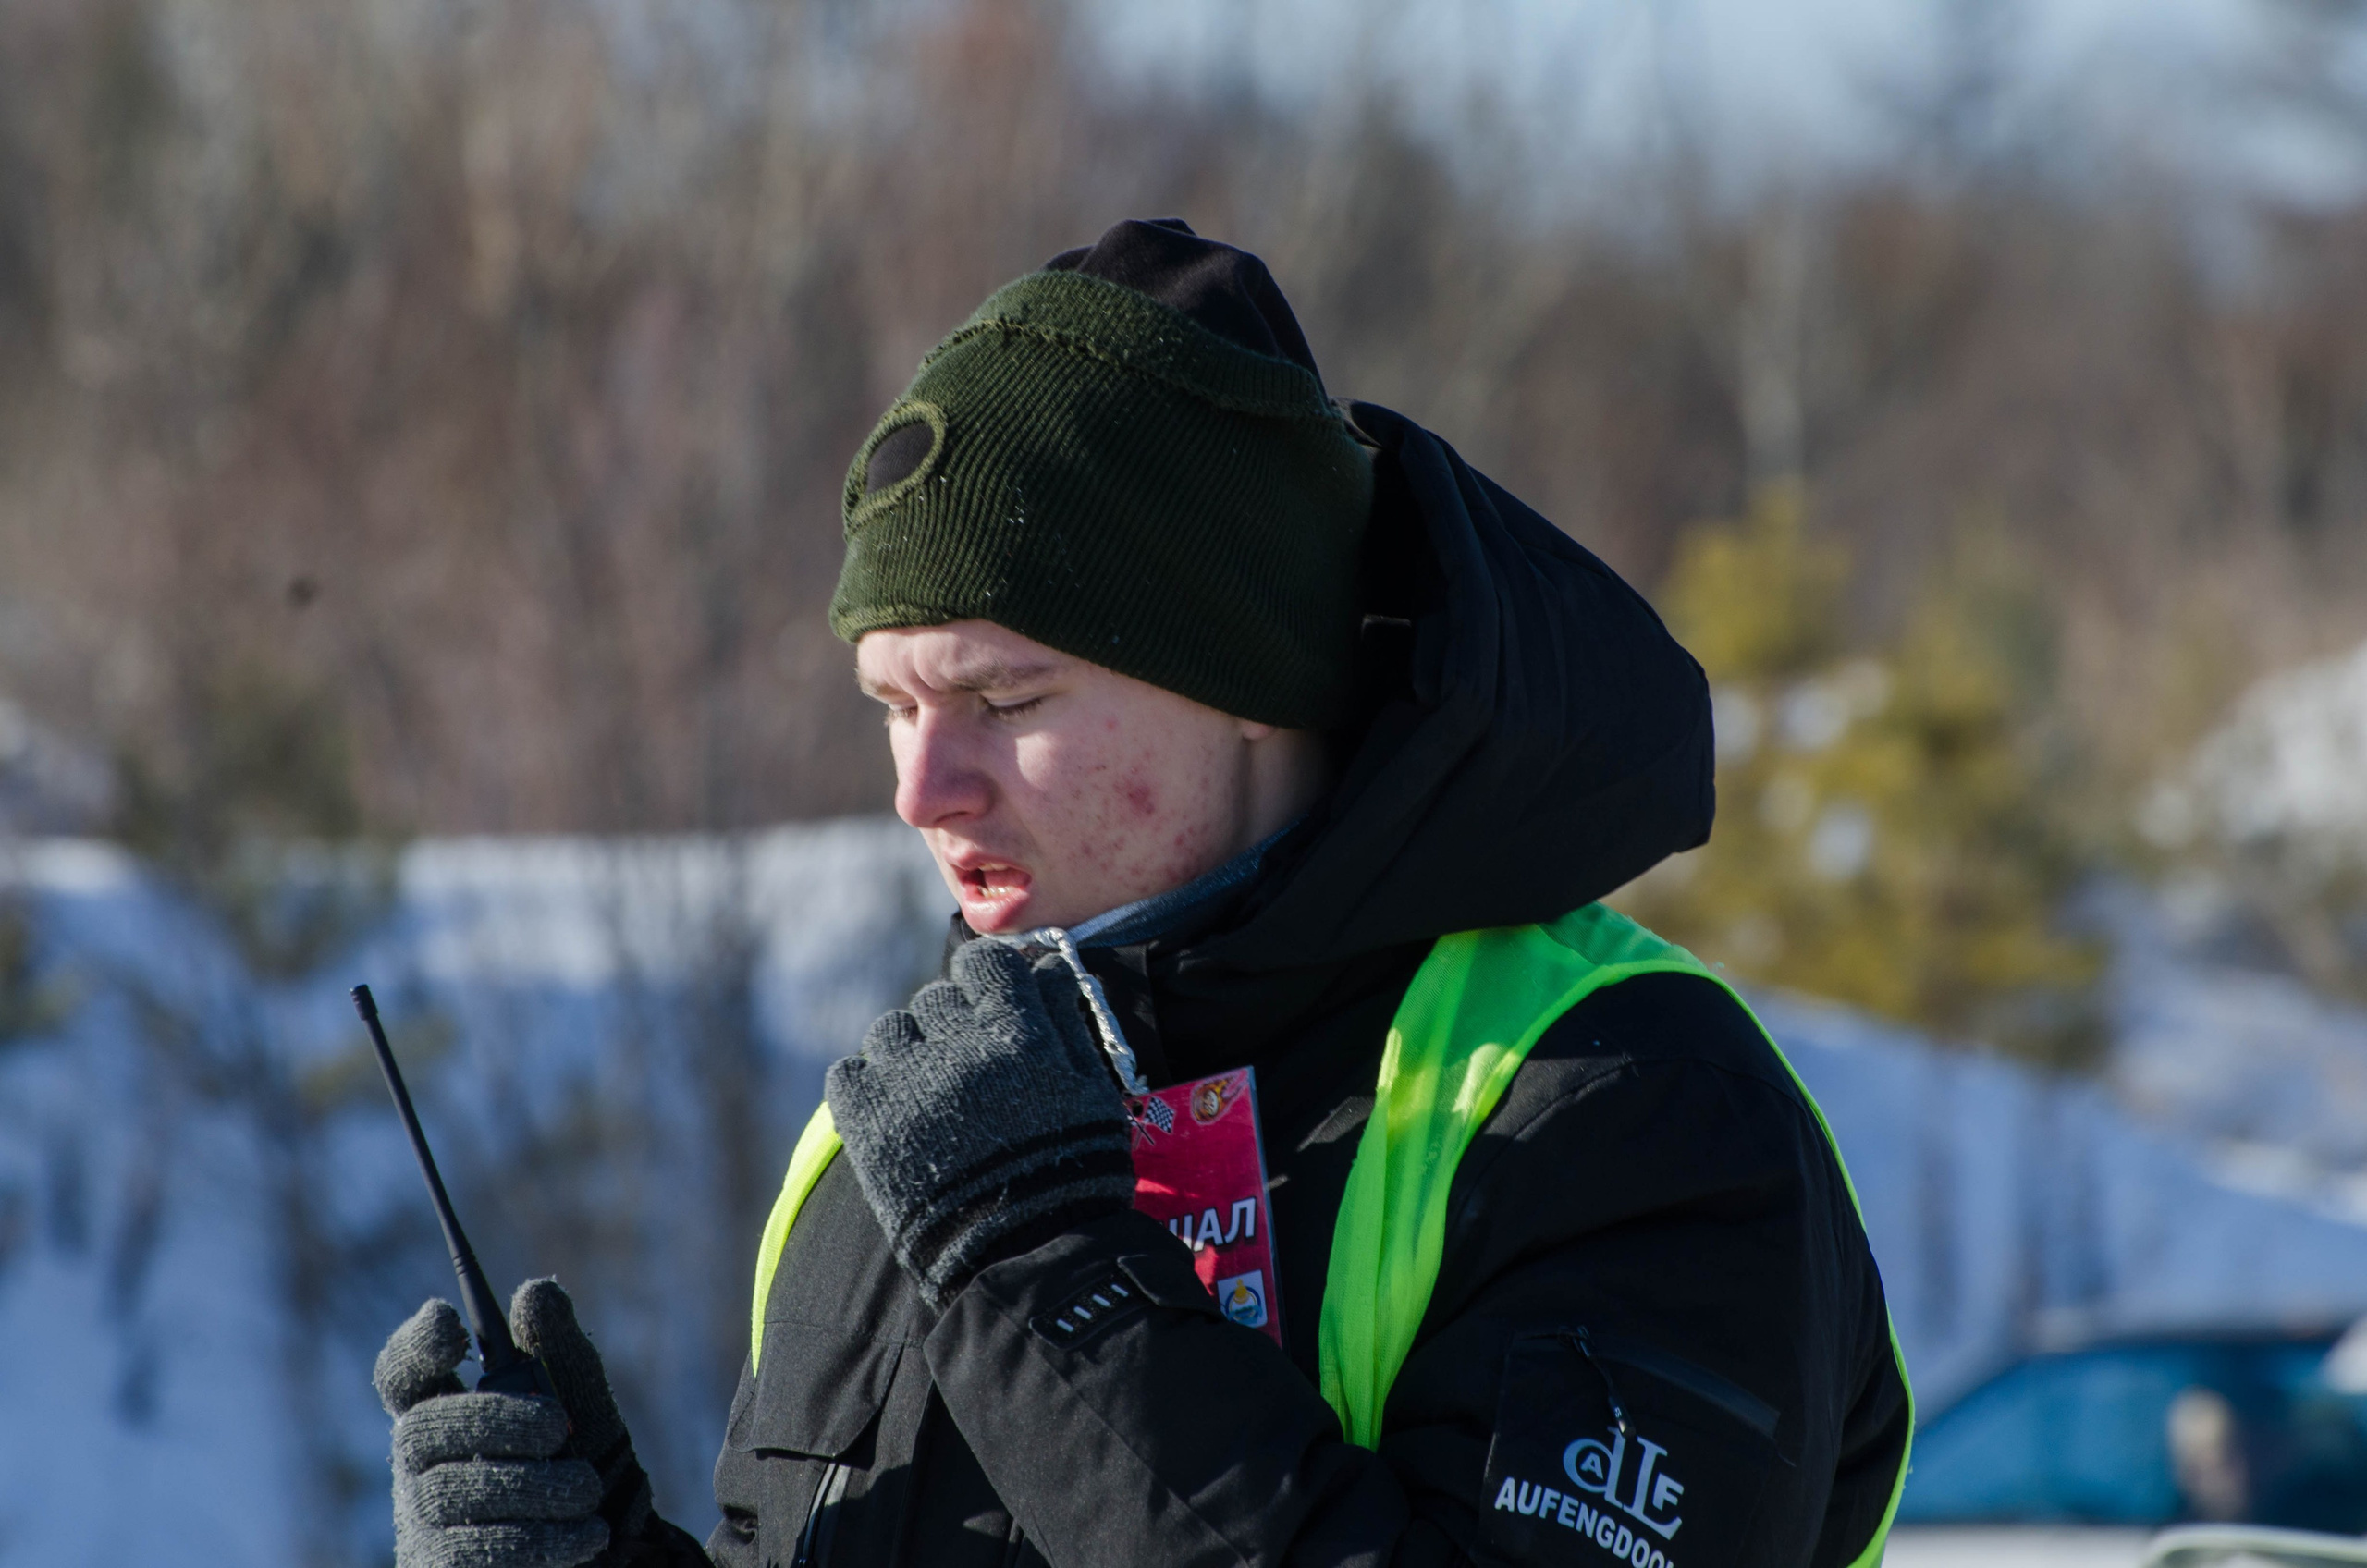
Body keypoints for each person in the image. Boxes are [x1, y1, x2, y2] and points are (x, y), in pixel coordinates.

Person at [371, 218, 1912, 1568]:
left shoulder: (1621, 1108)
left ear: (1250, 682)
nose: (925, 790)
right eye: (894, 708)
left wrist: (1054, 1291)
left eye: (1009, 703)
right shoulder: (900, 1130)